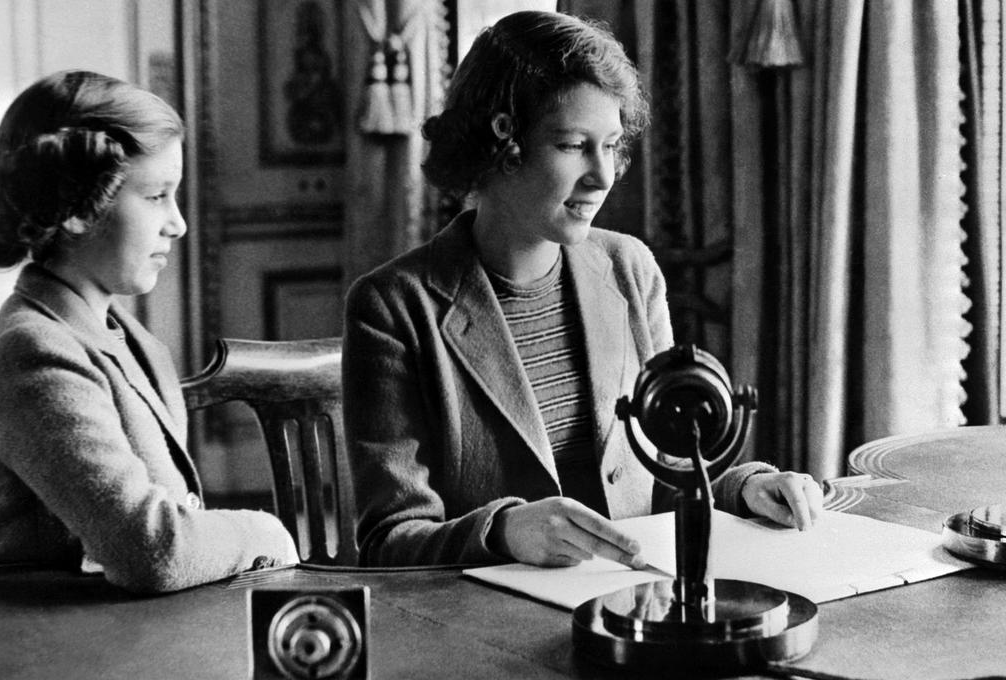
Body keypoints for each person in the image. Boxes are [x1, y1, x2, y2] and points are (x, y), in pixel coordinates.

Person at [343, 11, 825, 568]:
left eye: (613, 145)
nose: (604, 176)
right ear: (501, 143)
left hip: (633, 606)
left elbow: (664, 472)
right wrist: (502, 532)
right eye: (574, 145)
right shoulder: (392, 306)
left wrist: (746, 487)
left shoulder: (629, 268)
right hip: (486, 631)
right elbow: (387, 540)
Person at [0, 70, 298, 593]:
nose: (178, 223)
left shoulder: (123, 335)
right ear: (80, 208)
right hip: (52, 655)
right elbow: (154, 549)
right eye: (156, 196)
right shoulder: (33, 351)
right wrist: (267, 532)